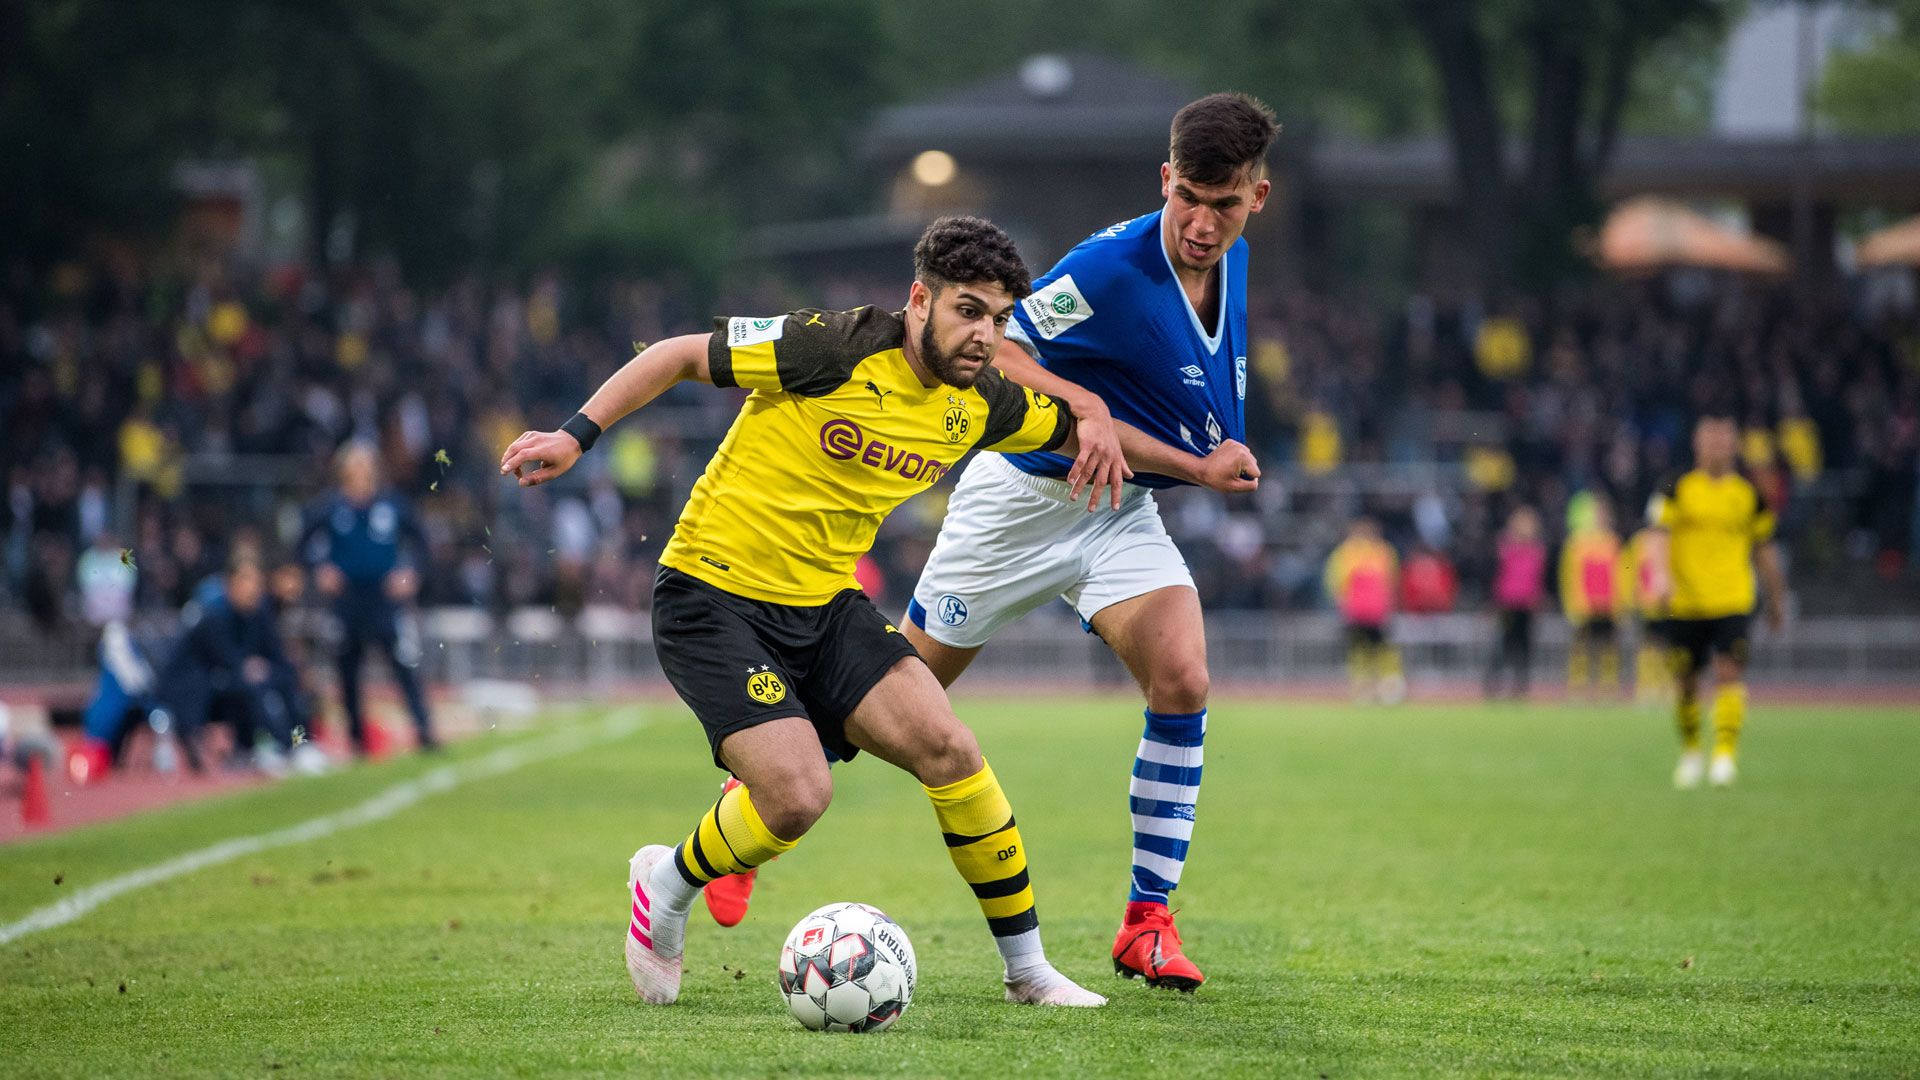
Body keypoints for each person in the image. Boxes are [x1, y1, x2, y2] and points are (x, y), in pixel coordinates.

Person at [497, 216, 1189, 1009]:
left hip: (826, 605)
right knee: (797, 795)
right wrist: (575, 437)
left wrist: (1180, 456)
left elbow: (1081, 433)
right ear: (919, 299)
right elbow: (680, 354)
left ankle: (1028, 972)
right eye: (968, 311)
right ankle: (667, 882)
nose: (984, 336)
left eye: (999, 320)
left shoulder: (981, 400)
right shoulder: (834, 346)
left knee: (951, 748)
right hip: (711, 595)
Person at [877, 92, 1271, 994]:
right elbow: (997, 346)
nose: (1206, 224)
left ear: (1259, 198)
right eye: (1191, 200)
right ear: (1166, 180)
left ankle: (1147, 924)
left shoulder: (1233, 261)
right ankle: (756, 809)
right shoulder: (1111, 265)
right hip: (1016, 503)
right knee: (888, 705)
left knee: (1184, 677)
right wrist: (1099, 413)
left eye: (1227, 203)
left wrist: (1200, 455)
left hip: (1116, 508)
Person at [1644, 414, 1788, 789]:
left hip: (1733, 598)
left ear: (1735, 444)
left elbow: (1765, 551)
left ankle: (1724, 756)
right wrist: (1660, 575)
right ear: (1697, 442)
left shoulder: (1749, 496)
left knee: (1728, 673)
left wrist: (1776, 600)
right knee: (1686, 682)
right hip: (1686, 601)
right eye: (1711, 438)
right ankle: (1692, 751)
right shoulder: (1675, 487)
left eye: (1725, 439)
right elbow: (1657, 536)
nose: (1718, 445)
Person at [298, 444, 437, 755]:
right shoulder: (330, 507)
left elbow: (422, 541)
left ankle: (424, 728)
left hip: (385, 600)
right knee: (348, 670)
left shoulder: (392, 505)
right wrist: (318, 570)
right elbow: (301, 544)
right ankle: (357, 739)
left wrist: (411, 573)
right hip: (346, 601)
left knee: (403, 663)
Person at [1325, 517, 1403, 704]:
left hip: (1373, 612)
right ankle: (1371, 689)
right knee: (1364, 650)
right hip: (1362, 612)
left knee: (1377, 650)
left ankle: (1385, 687)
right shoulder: (1352, 553)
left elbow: (1391, 581)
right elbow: (1336, 583)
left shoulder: (1379, 551)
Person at [1559, 496, 1625, 699]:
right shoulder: (1577, 543)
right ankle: (1577, 686)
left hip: (1607, 605)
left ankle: (1608, 685)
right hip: (1584, 605)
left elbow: (1621, 574)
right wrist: (1572, 604)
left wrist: (1619, 603)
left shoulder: (1613, 542)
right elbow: (1568, 575)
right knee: (1581, 646)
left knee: (1608, 646)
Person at [1485, 506, 1546, 700]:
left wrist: (1538, 597)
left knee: (1524, 646)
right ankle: (1493, 684)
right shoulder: (1505, 547)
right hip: (1507, 603)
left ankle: (1520, 686)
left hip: (1527, 605)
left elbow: (1537, 579)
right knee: (1503, 644)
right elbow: (1496, 575)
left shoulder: (1537, 550)